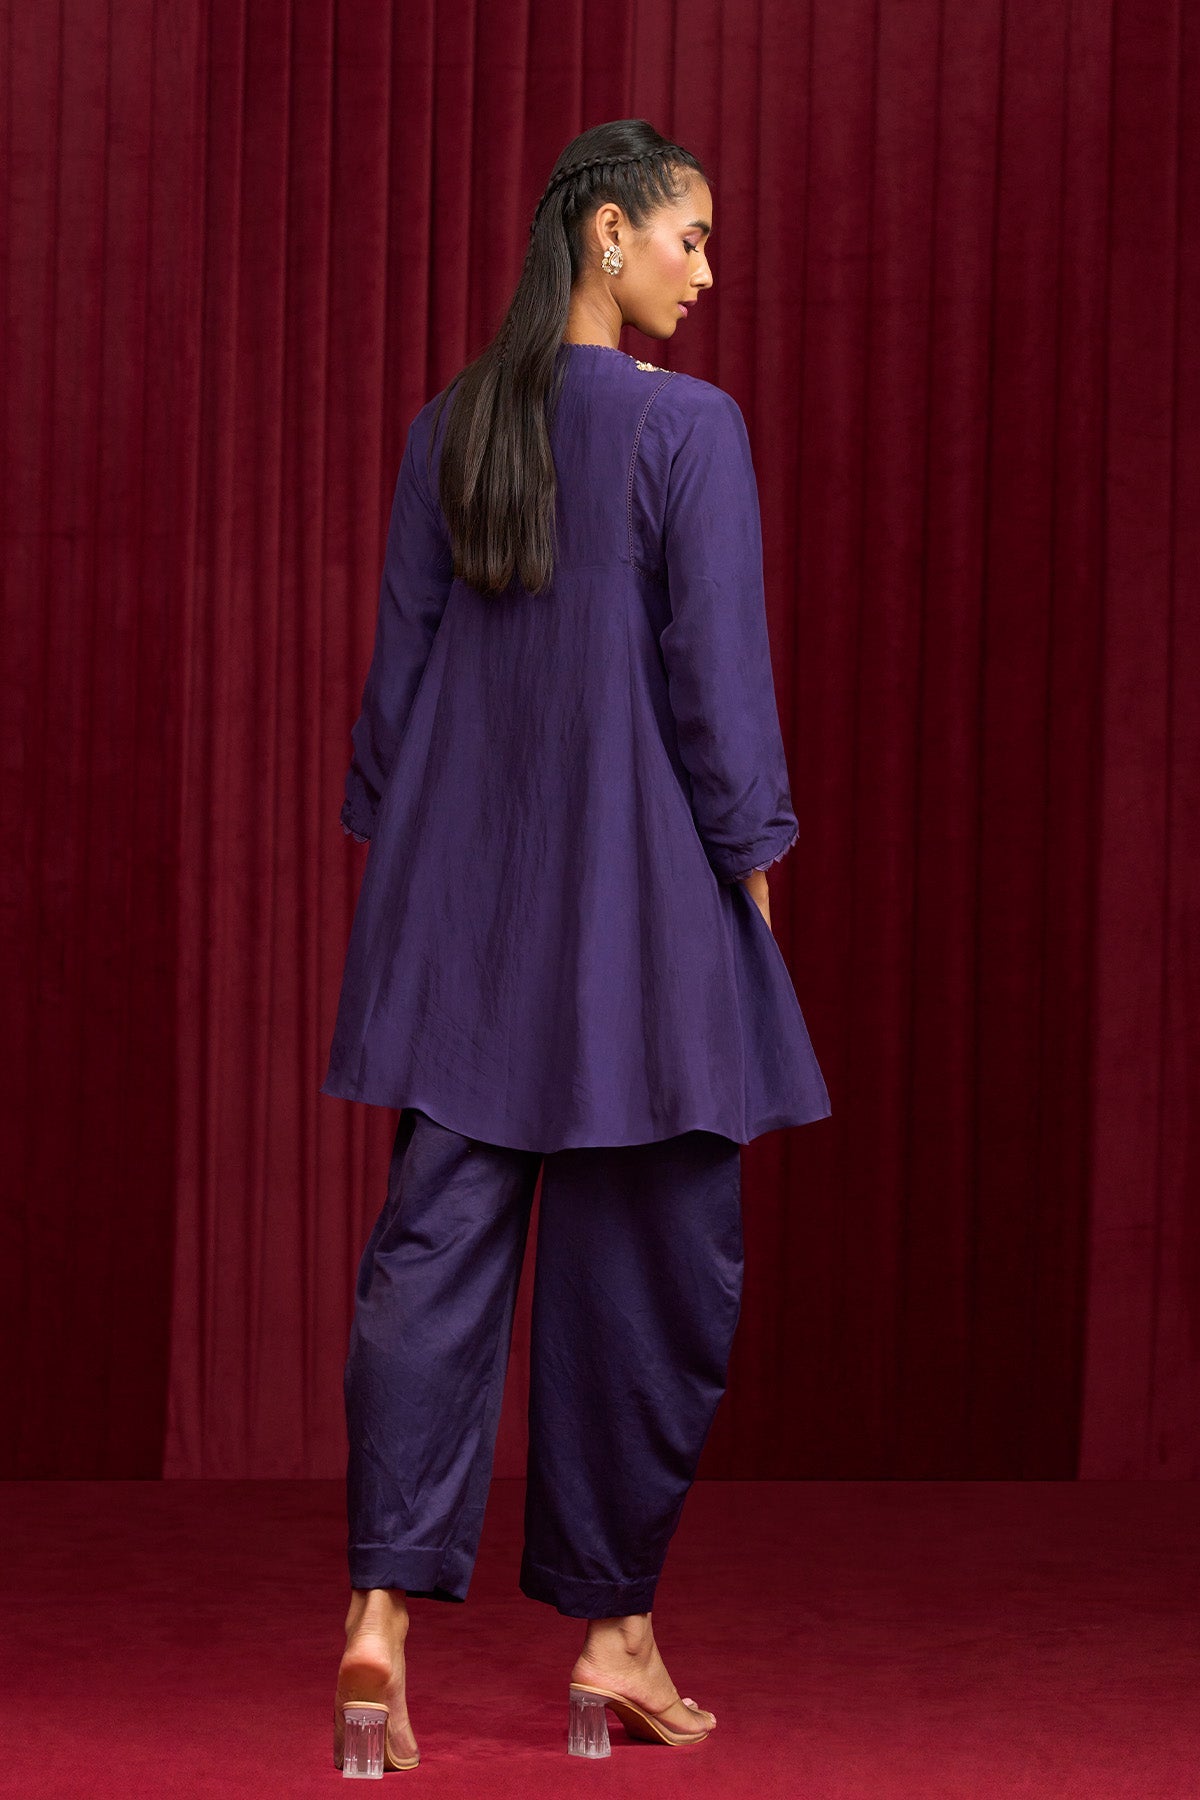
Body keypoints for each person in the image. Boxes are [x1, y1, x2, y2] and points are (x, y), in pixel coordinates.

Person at [322, 118, 831, 1775]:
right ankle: (614, 1638)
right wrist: (753, 858)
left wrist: (425, 867)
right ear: (608, 235)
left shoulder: (449, 426)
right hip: (645, 927)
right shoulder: (689, 427)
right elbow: (717, 680)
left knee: (431, 1258)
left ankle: (380, 1617)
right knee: (656, 1273)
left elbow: (396, 699)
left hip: (466, 921)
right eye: (690, 237)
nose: (708, 271)